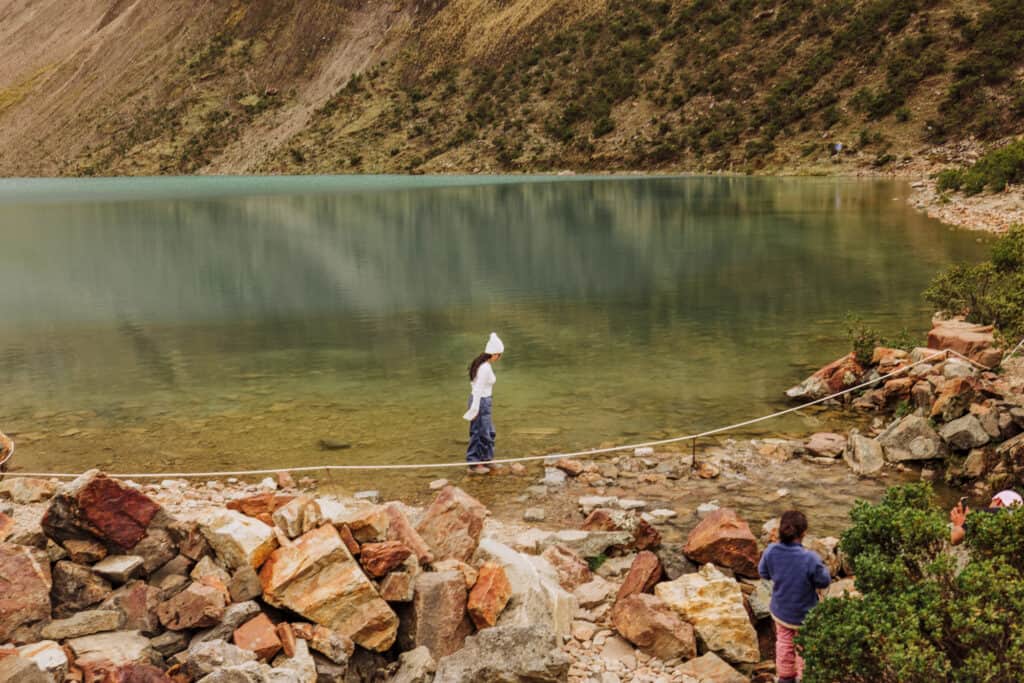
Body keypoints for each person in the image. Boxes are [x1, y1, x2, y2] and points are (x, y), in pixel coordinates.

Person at [758, 510, 832, 683]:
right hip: (805, 614)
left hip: (781, 611)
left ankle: (785, 677)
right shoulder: (810, 558)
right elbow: (824, 581)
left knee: (784, 643)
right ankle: (804, 676)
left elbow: (763, 572)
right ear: (804, 533)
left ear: (780, 531)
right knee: (804, 645)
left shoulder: (771, 551)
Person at [463, 332, 503, 473]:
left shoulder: (482, 364)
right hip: (480, 401)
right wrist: (474, 409)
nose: (500, 357)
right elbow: (478, 389)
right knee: (480, 433)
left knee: (488, 432)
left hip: (484, 401)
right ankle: (474, 464)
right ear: (494, 354)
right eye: (499, 354)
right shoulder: (485, 368)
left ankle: (487, 459)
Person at [950, 489, 1024, 545]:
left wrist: (959, 524)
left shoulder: (988, 513)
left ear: (998, 501)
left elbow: (955, 538)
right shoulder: (1019, 525)